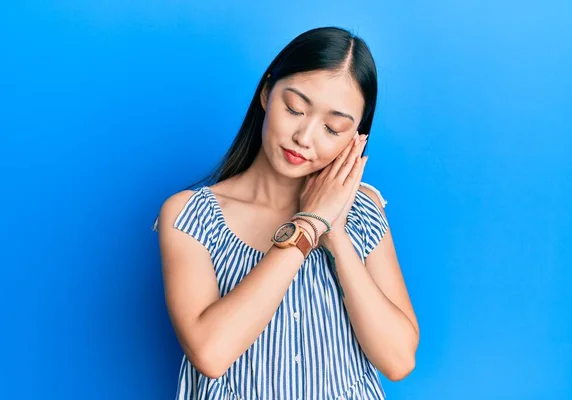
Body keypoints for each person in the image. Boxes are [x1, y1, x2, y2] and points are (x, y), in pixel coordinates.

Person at [152, 26, 419, 400]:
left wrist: (336, 234)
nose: (305, 137)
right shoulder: (191, 216)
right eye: (294, 108)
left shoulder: (363, 212)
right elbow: (210, 353)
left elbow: (398, 359)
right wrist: (308, 225)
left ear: (356, 138)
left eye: (333, 127)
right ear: (266, 92)